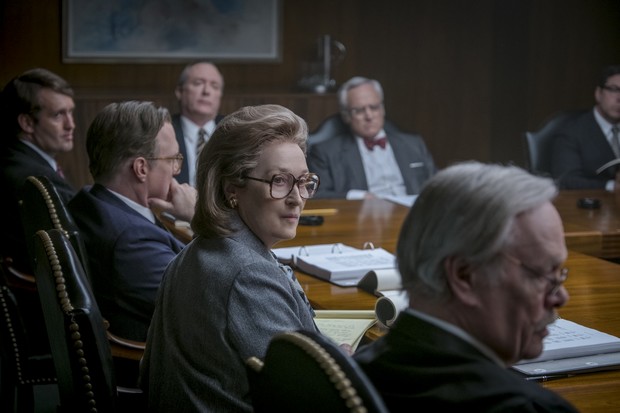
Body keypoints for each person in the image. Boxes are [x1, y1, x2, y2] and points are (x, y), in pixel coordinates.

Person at [353, 161, 578, 412]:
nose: (561, 297)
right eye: (543, 275)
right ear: (465, 276)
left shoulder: (349, 376)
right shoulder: (527, 408)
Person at [140, 104, 321, 412]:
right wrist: (337, 363)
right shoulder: (248, 276)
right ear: (232, 188)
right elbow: (309, 397)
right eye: (279, 180)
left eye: (304, 181)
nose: (297, 198)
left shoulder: (197, 250)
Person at [68, 100, 196, 342]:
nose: (177, 170)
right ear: (141, 168)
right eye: (172, 159)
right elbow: (206, 305)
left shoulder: (88, 202)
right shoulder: (131, 240)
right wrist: (199, 218)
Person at [0, 68, 78, 274]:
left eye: (71, 112)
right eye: (58, 115)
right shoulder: (37, 177)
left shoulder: (15, 159)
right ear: (27, 123)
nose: (71, 125)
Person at [307, 76, 436, 199]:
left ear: (383, 109)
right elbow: (317, 194)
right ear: (346, 116)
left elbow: (439, 185)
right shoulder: (325, 152)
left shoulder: (413, 144)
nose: (369, 116)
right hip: (364, 212)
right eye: (359, 110)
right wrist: (358, 197)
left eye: (374, 107)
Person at [551, 64, 620, 191]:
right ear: (598, 93)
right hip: (591, 201)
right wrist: (611, 186)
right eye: (614, 89)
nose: (619, 98)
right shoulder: (571, 131)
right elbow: (566, 180)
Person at [171, 60, 225, 187]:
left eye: (214, 86)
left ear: (220, 95)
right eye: (198, 83)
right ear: (180, 91)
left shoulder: (234, 132)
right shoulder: (162, 130)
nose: (206, 91)